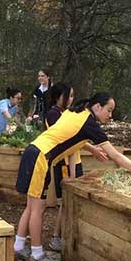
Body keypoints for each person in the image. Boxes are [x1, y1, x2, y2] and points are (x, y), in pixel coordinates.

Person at [13, 92, 131, 261]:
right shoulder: (90, 124)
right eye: (109, 110)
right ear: (97, 106)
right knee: (38, 208)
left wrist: (93, 150)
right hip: (41, 158)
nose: (110, 115)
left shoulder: (77, 111)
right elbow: (116, 156)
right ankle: (36, 254)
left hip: (33, 151)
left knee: (31, 206)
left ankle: (19, 246)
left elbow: (69, 135)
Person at [43, 82, 105, 252]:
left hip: (75, 162)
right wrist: (71, 172)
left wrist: (91, 148)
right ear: (59, 97)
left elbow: (77, 140)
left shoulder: (68, 113)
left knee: (72, 200)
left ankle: (68, 235)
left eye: (72, 96)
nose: (71, 99)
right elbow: (66, 141)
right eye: (68, 96)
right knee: (65, 201)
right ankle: (56, 237)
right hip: (63, 163)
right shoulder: (53, 115)